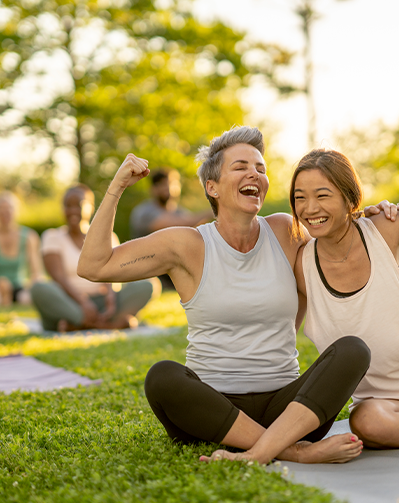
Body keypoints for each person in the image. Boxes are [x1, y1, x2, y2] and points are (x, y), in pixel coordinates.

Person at [77, 126, 376, 465]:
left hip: (286, 410)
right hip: (211, 411)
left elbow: (337, 232)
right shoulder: (187, 244)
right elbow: (94, 266)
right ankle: (293, 451)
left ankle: (263, 449)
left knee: (353, 350)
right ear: (212, 186)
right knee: (162, 377)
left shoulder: (285, 231)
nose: (254, 174)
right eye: (241, 167)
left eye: (260, 169)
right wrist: (116, 187)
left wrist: (374, 218)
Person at [291, 148, 399, 450]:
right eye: (300, 197)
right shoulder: (302, 268)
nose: (310, 208)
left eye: (322, 195)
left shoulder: (388, 229)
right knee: (366, 422)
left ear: (351, 199)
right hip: (382, 407)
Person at [31, 184, 159, 332]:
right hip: (69, 303)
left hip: (101, 303)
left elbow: (112, 274)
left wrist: (110, 299)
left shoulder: (107, 237)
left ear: (91, 207)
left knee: (148, 284)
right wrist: (83, 302)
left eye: (78, 205)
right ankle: (106, 324)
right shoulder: (52, 236)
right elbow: (58, 277)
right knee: (38, 288)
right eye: (68, 205)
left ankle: (79, 325)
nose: (72, 210)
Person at [130, 168, 213, 290]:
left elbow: (198, 233)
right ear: (153, 189)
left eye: (171, 183)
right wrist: (214, 210)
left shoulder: (182, 213)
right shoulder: (144, 212)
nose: (167, 188)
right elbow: (176, 224)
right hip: (150, 272)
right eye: (162, 184)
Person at [0, 191, 43, 305]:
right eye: (2, 209)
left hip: (20, 289)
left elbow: (36, 273)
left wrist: (33, 286)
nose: (6, 212)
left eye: (10, 208)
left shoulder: (28, 236)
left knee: (29, 297)